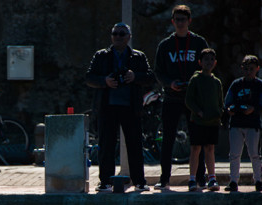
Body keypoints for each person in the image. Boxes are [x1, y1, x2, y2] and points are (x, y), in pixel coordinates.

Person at [86, 22, 155, 193]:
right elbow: (89, 77)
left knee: (135, 145)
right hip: (107, 106)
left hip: (131, 107)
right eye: (115, 33)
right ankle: (105, 182)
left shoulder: (138, 57)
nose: (117, 37)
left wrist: (134, 76)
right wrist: (105, 81)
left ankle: (139, 181)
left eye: (121, 34)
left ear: (128, 37)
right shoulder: (101, 56)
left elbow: (150, 77)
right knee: (106, 145)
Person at [153, 5, 208, 190]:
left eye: (183, 19)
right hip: (171, 98)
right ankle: (164, 178)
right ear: (173, 22)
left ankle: (201, 177)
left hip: (193, 99)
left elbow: (207, 67)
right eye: (177, 19)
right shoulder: (165, 45)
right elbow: (158, 72)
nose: (180, 22)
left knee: (197, 140)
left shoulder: (199, 43)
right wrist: (170, 83)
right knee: (168, 140)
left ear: (189, 21)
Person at [224, 55, 262, 192]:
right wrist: (230, 109)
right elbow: (228, 102)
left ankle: (258, 180)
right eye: (246, 69)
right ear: (242, 69)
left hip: (252, 123)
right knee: (234, 154)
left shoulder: (260, 85)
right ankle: (233, 181)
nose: (248, 71)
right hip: (236, 123)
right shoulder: (236, 84)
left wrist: (254, 109)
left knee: (255, 153)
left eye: (251, 69)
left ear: (257, 69)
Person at [185, 48, 224, 191]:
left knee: (210, 148)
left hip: (212, 121)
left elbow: (220, 102)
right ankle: (192, 179)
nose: (209, 62)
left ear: (215, 62)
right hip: (198, 121)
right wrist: (199, 112)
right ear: (200, 62)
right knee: (195, 148)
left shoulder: (217, 82)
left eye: (211, 59)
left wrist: (219, 112)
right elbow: (189, 100)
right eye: (206, 59)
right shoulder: (195, 80)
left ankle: (212, 178)